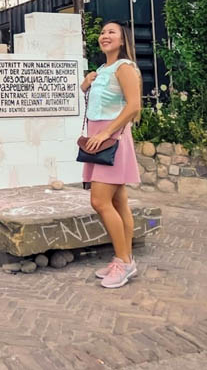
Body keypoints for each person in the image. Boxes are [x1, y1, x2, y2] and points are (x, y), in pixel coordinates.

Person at [81, 20, 142, 289]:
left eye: (111, 32)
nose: (105, 36)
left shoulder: (124, 67)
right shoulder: (102, 70)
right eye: (103, 32)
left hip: (112, 142)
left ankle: (122, 261)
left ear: (122, 39)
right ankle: (126, 260)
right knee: (118, 203)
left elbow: (133, 107)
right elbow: (97, 104)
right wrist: (86, 85)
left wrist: (106, 134)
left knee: (99, 201)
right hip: (98, 142)